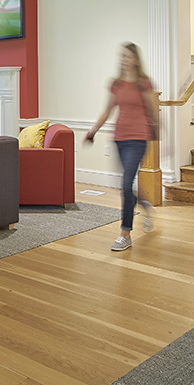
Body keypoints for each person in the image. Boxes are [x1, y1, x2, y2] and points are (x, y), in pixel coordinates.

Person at [84, 42, 159, 252]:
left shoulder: (143, 83)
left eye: (127, 56)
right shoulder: (116, 84)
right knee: (125, 186)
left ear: (135, 59)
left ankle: (125, 233)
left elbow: (153, 112)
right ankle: (145, 206)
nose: (123, 59)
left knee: (126, 184)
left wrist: (160, 138)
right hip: (120, 138)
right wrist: (92, 131)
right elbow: (107, 111)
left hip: (139, 138)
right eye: (121, 56)